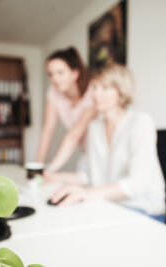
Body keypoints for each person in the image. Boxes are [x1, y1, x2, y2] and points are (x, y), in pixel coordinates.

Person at [49, 63, 166, 222]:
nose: (96, 94)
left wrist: (87, 193)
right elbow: (89, 175)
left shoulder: (140, 123)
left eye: (105, 88)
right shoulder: (94, 127)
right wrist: (58, 178)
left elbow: (138, 182)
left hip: (143, 210)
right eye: (94, 87)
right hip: (109, 208)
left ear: (121, 92)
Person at [36, 47, 96, 182]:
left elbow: (73, 136)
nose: (54, 78)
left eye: (60, 72)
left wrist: (50, 169)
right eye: (50, 74)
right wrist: (37, 168)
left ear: (75, 73)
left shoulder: (94, 92)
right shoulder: (54, 91)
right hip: (86, 154)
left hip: (104, 155)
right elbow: (48, 129)